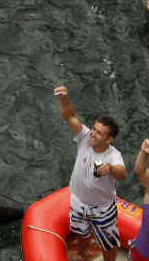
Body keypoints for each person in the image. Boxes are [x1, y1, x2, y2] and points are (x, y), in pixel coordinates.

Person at [52, 84, 124, 261]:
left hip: (102, 209)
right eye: (94, 129)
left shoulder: (113, 155)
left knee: (109, 242)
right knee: (81, 232)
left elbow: (122, 173)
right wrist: (64, 97)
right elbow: (69, 115)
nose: (93, 134)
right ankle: (84, 254)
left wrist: (110, 169)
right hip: (78, 201)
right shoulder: (85, 137)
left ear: (109, 139)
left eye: (99, 133)